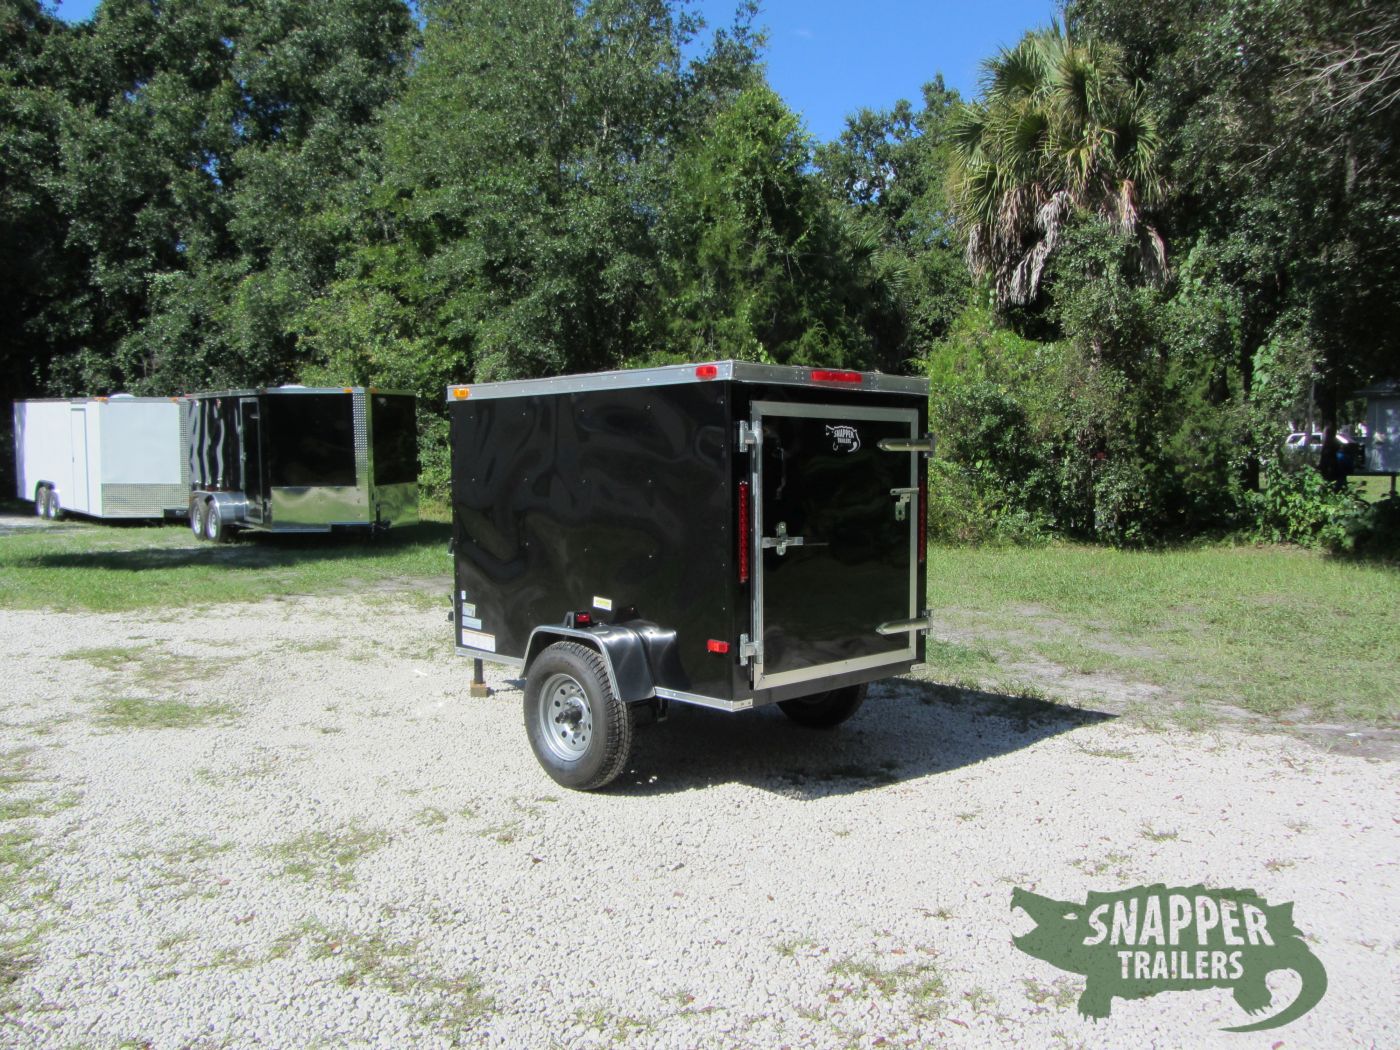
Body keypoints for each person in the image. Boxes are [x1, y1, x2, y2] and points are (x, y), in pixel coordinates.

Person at [1317, 426, 1347, 491]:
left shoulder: (1329, 445)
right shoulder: (1334, 443)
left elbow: (1326, 459)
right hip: (1335, 471)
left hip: (1333, 471)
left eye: (1324, 433)